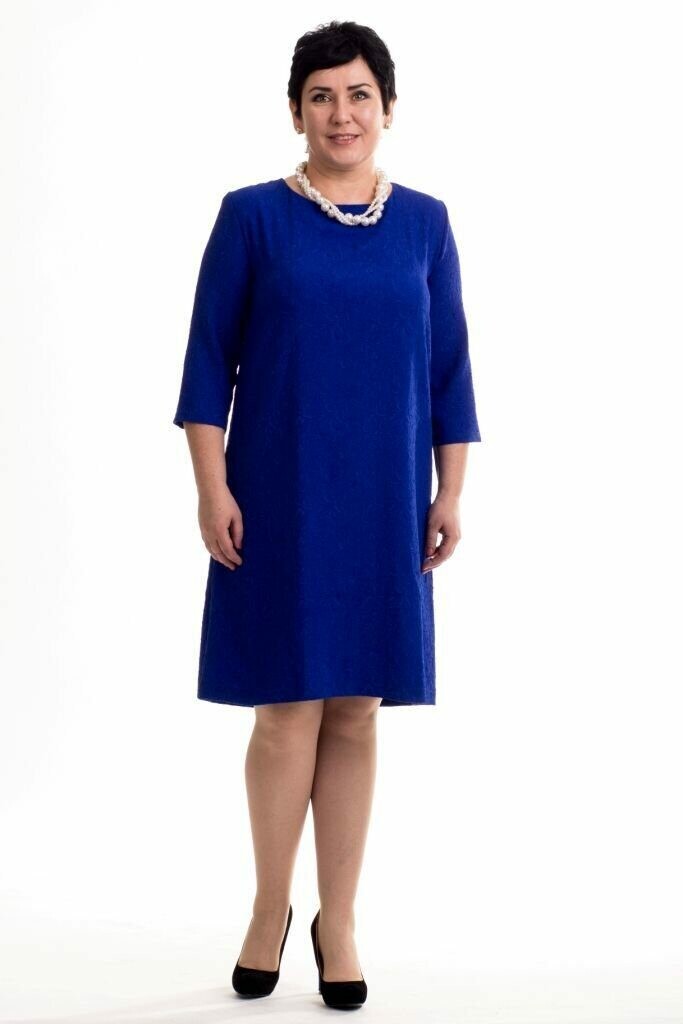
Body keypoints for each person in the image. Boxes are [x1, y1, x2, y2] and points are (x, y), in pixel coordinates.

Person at [172, 19, 481, 1010]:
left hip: (385, 498)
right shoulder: (252, 217)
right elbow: (205, 366)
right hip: (277, 493)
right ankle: (270, 906)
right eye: (320, 96)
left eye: (357, 95)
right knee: (285, 707)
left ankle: (335, 920)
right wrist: (212, 487)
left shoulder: (425, 223)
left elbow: (448, 372)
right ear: (295, 110)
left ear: (386, 108)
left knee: (354, 707)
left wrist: (449, 490)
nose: (340, 114)